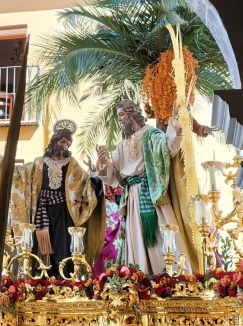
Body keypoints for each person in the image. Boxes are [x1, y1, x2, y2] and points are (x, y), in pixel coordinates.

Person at [96, 99, 194, 275]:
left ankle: (170, 276)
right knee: (137, 239)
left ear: (132, 113)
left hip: (152, 192)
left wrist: (174, 122)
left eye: (122, 115)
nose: (120, 120)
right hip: (132, 198)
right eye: (118, 116)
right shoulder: (121, 145)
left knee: (161, 234)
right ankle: (140, 277)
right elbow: (113, 178)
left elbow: (169, 147)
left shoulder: (151, 134)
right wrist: (103, 162)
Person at [11, 121, 105, 278]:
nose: (65, 146)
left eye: (68, 143)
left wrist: (94, 174)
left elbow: (85, 183)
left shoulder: (72, 164)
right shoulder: (39, 163)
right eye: (62, 142)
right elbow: (21, 176)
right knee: (41, 248)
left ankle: (63, 280)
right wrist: (3, 162)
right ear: (55, 141)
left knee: (63, 247)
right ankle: (43, 280)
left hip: (63, 212)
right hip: (42, 211)